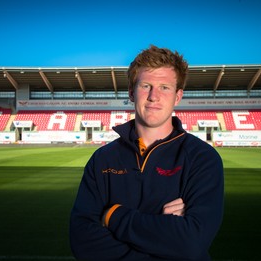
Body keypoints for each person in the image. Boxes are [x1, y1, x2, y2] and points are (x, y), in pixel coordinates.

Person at [69, 45, 224, 260]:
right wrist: (166, 231)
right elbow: (82, 241)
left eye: (164, 87)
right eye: (146, 86)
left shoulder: (202, 158)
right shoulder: (102, 159)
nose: (154, 96)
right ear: (132, 93)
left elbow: (192, 242)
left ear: (178, 96)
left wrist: (113, 215)